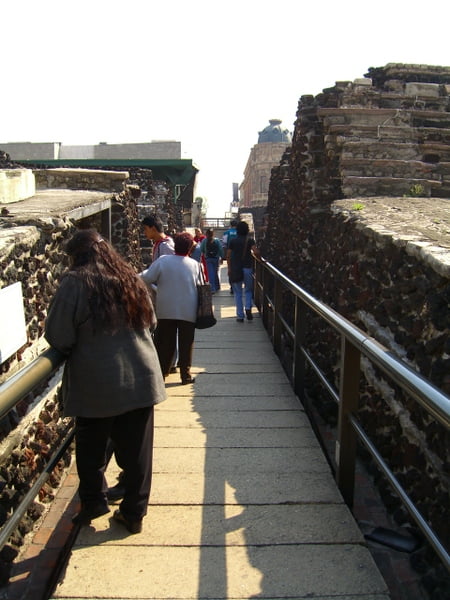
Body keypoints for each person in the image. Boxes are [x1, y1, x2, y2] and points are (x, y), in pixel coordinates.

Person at [44, 229, 166, 534]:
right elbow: (151, 322)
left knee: (90, 445)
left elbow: (59, 335)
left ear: (77, 256)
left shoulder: (74, 282)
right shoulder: (130, 278)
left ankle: (94, 501)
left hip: (97, 380)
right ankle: (133, 513)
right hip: (141, 375)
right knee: (138, 450)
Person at [141, 232, 200, 384]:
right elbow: (200, 285)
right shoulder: (194, 264)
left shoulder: (163, 261)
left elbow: (146, 278)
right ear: (189, 248)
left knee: (166, 342)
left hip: (166, 307)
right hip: (188, 308)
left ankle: (162, 372)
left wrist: (155, 288)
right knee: (186, 343)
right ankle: (185, 375)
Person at [227, 221, 259, 322]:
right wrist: (261, 260)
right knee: (249, 290)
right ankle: (248, 307)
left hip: (236, 269)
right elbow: (256, 252)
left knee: (238, 293)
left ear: (237, 230)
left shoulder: (233, 241)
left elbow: (228, 256)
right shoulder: (250, 241)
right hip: (247, 268)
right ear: (247, 230)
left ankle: (240, 316)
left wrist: (229, 268)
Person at [200, 228, 223, 293]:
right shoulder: (217, 240)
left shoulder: (204, 241)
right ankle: (217, 286)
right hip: (216, 258)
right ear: (213, 234)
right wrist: (222, 257)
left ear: (206, 234)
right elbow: (220, 249)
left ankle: (212, 288)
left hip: (208, 258)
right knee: (215, 272)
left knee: (210, 273)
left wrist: (204, 254)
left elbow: (201, 249)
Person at [222, 219, 238, 293]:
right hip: (239, 255)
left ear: (230, 225)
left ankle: (232, 287)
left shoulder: (226, 233)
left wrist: (224, 256)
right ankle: (238, 286)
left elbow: (224, 244)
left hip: (230, 254)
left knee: (230, 270)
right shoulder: (240, 232)